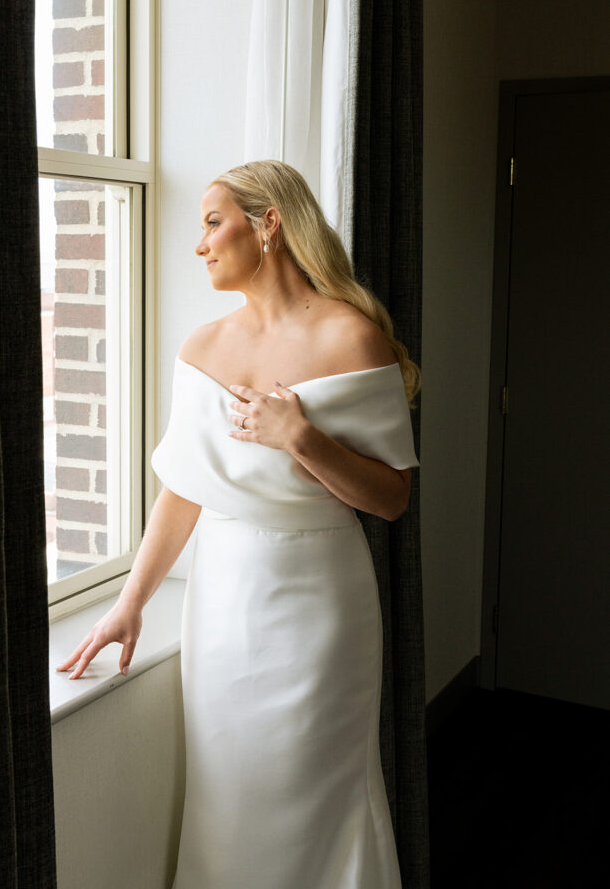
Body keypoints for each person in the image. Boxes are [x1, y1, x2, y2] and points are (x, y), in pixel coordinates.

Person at [58, 159, 421, 888]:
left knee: (316, 787)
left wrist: (300, 438)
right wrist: (128, 606)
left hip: (320, 606)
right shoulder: (200, 349)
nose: (199, 244)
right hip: (220, 607)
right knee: (228, 795)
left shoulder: (352, 339)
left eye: (212, 222)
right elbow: (182, 494)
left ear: (269, 224)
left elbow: (390, 500)